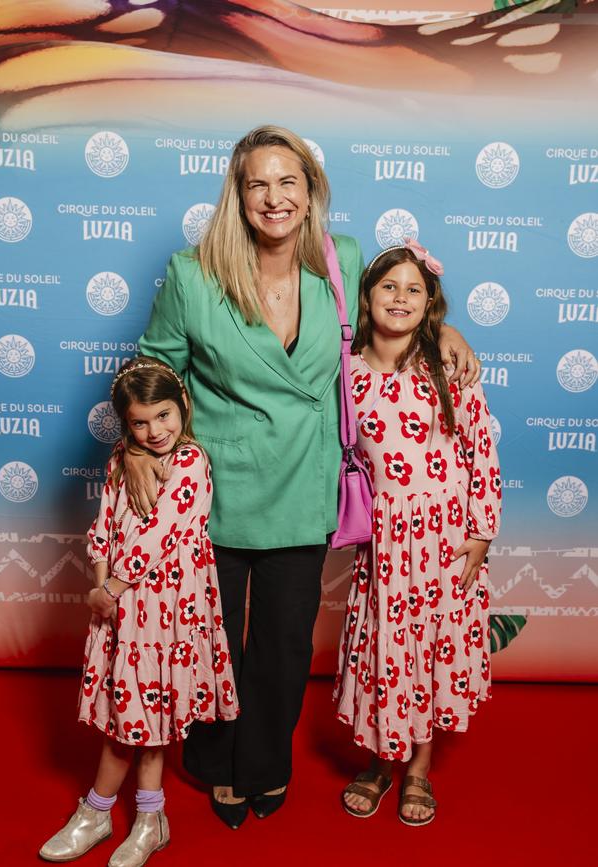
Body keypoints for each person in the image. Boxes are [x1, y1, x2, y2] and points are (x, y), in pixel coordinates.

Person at [127, 125, 479, 828]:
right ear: (238, 192)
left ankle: (264, 764)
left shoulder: (339, 258)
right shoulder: (193, 273)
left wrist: (443, 327)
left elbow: (392, 310)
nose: (274, 197)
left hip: (305, 480)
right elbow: (155, 368)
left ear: (310, 191)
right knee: (211, 634)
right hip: (215, 488)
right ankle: (214, 761)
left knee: (286, 641)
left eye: (288, 181)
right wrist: (140, 449)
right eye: (258, 182)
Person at [39, 357, 238, 865]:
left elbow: (162, 532)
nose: (154, 431)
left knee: (147, 718)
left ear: (183, 407)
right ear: (125, 423)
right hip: (121, 607)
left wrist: (116, 586)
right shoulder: (118, 460)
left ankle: (106, 810)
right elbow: (104, 523)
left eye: (164, 416)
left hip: (167, 607)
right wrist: (103, 582)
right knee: (134, 716)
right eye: (139, 422)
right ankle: (145, 817)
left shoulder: (190, 461)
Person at [334, 239, 501, 825]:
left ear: (430, 303)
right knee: (387, 648)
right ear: (367, 295)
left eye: (414, 289)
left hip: (444, 539)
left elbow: (481, 449)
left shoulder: (447, 366)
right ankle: (382, 762)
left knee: (429, 650)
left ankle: (419, 770)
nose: (400, 298)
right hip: (384, 542)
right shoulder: (345, 374)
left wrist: (481, 531)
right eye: (388, 286)